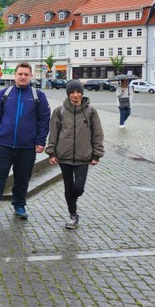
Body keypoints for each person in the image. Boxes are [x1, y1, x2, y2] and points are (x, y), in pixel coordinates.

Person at [0, 62, 50, 221]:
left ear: (31, 76)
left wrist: (40, 141)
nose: (23, 77)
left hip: (27, 146)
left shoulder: (38, 95)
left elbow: (44, 120)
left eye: (26, 74)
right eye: (20, 74)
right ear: (15, 75)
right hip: (4, 144)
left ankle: (19, 205)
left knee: (22, 177)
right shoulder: (5, 93)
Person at [45, 79, 104, 229]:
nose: (75, 95)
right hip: (64, 156)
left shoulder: (90, 112)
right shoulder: (60, 111)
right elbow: (53, 133)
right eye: (72, 92)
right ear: (68, 94)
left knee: (78, 188)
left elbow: (97, 134)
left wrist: (96, 154)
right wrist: (51, 152)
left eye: (78, 92)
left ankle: (72, 200)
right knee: (67, 187)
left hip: (83, 157)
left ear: (82, 93)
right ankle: (73, 215)